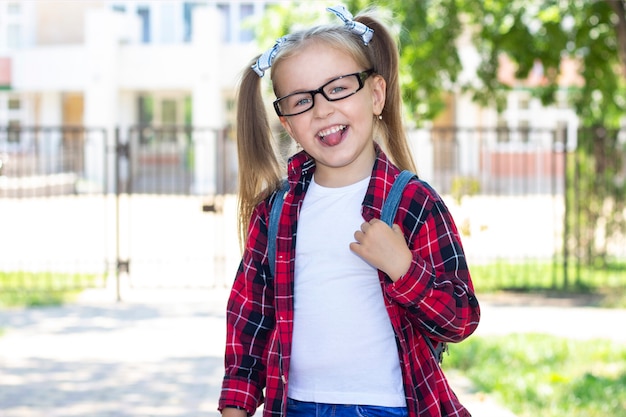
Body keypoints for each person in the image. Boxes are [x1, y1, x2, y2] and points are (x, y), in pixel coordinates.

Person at [219, 4, 480, 417]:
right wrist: (236, 405)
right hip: (296, 407)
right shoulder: (276, 213)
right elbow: (250, 320)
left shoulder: (412, 204)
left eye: (338, 88)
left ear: (376, 94)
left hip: (390, 407)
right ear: (287, 123)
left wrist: (403, 269)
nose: (322, 110)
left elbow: (460, 319)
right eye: (301, 101)